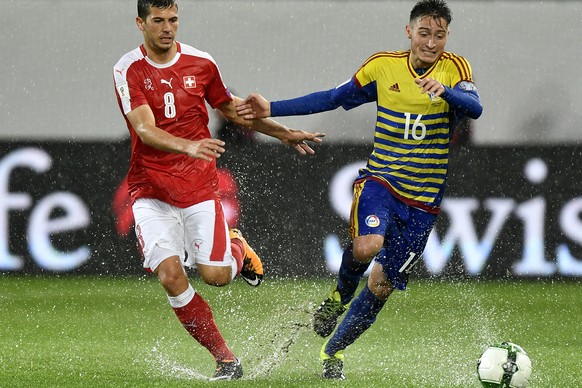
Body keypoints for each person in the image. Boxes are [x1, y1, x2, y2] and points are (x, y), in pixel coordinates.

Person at [236, 0, 482, 380]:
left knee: (381, 285)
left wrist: (446, 93)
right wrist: (272, 108)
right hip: (381, 181)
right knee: (368, 245)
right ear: (409, 32)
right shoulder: (383, 66)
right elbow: (334, 98)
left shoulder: (456, 69)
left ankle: (331, 350)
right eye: (424, 33)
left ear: (447, 35)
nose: (432, 42)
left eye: (440, 35)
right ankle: (339, 295)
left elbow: (475, 107)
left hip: (424, 203)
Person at [112, 0, 324, 381]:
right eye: (158, 21)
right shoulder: (128, 68)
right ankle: (226, 359)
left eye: (173, 20)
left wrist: (284, 133)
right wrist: (188, 145)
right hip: (150, 191)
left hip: (198, 188)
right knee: (171, 278)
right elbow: (143, 129)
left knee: (217, 277)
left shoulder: (201, 63)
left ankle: (237, 247)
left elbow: (231, 109)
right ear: (140, 23)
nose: (167, 28)